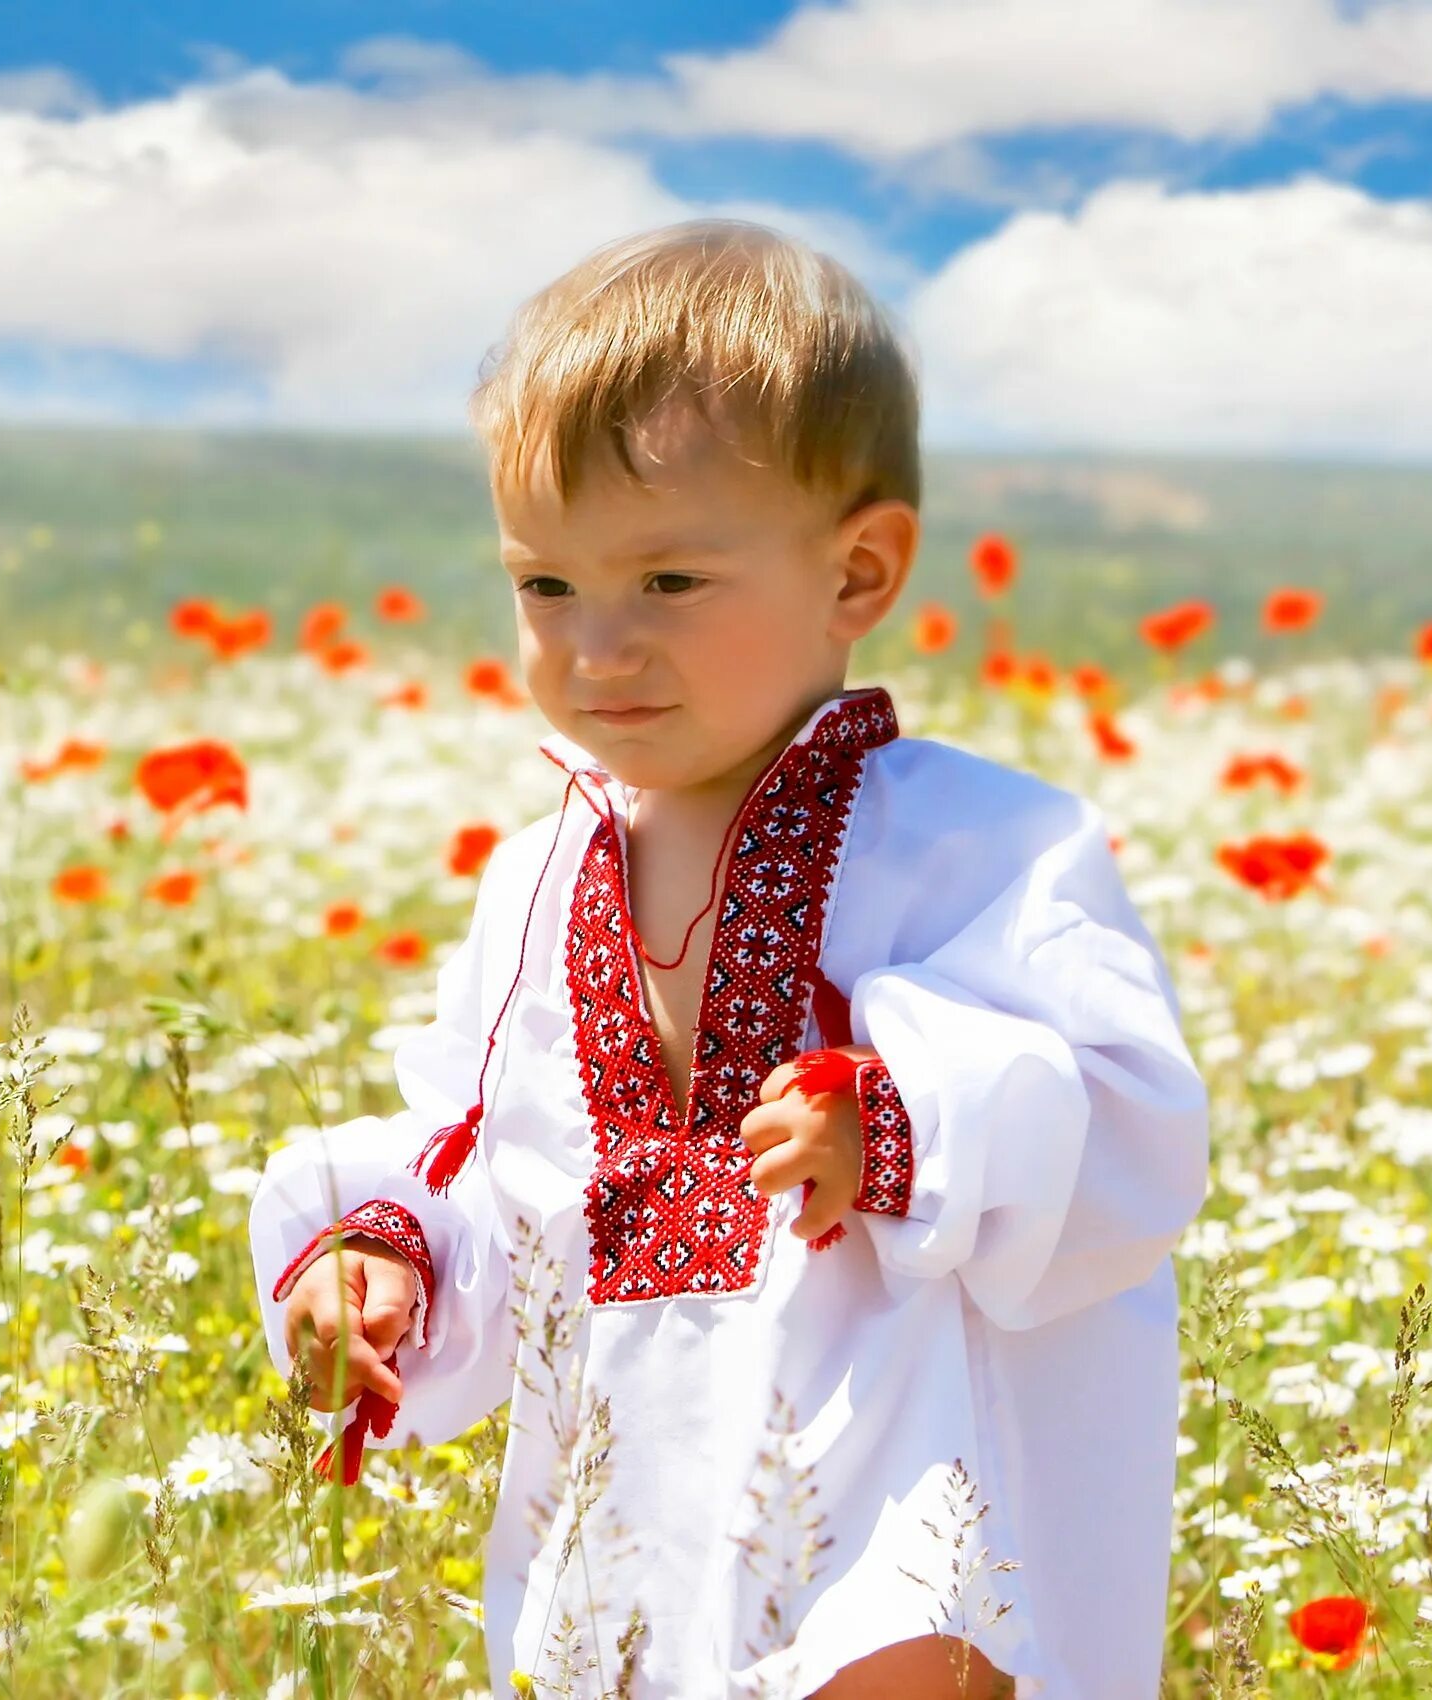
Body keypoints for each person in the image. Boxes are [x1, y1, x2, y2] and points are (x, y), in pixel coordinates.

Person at [249, 220, 1211, 1700]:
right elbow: (485, 1154)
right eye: (544, 587)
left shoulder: (972, 842)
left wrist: (893, 1124)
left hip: (908, 1442)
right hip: (640, 1460)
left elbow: (1129, 1124)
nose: (595, 649)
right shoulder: (534, 883)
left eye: (668, 583)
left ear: (858, 570)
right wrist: (380, 1251)